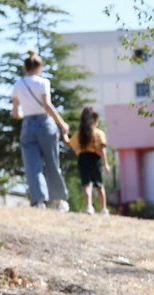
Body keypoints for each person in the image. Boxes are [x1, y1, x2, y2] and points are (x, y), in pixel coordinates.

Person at [12, 49, 70, 212]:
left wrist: (25, 114)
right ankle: (59, 201)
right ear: (39, 67)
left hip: (28, 125)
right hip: (45, 124)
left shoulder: (18, 85)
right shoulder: (43, 82)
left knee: (33, 166)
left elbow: (15, 112)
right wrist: (62, 123)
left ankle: (39, 202)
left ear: (25, 67)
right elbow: (47, 105)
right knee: (52, 162)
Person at [69, 106, 111, 215]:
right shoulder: (98, 133)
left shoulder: (79, 134)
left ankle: (89, 207)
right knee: (99, 184)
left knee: (86, 184)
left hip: (82, 159)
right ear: (95, 120)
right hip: (94, 159)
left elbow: (70, 144)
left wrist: (64, 134)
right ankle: (104, 209)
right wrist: (105, 164)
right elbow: (102, 149)